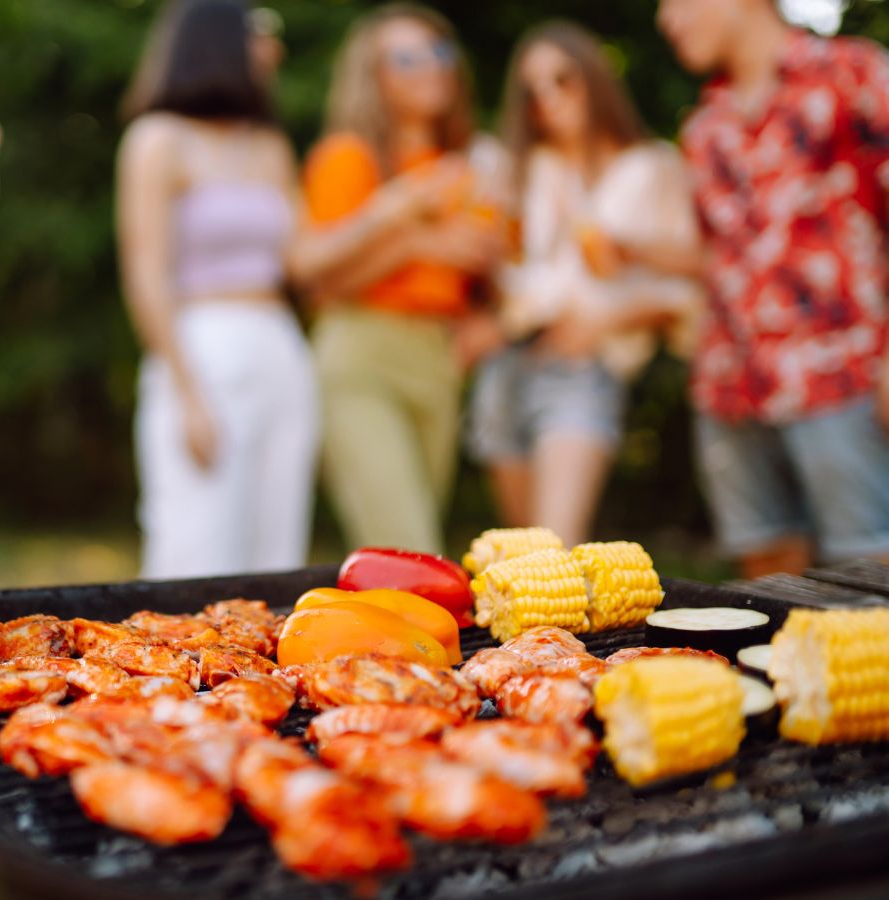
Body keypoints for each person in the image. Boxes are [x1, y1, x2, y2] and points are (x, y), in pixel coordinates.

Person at [657, 0, 889, 576]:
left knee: (868, 569)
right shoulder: (705, 125)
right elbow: (728, 258)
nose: (667, 20)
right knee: (766, 579)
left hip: (842, 376)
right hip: (730, 387)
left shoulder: (852, 73)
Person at [470, 22, 703, 547]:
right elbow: (509, 281)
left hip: (582, 369)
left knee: (555, 547)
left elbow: (689, 290)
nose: (547, 99)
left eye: (562, 79)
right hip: (509, 366)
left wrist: (608, 315)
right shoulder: (526, 170)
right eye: (532, 90)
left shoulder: (650, 168)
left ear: (593, 78)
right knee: (516, 561)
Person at [292, 3, 506, 555]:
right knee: (406, 544)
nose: (429, 66)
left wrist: (490, 322)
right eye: (405, 57)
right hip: (363, 350)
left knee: (408, 554)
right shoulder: (350, 157)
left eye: (439, 51)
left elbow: (510, 275)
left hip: (439, 358)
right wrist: (399, 221)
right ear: (374, 76)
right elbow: (313, 270)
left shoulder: (473, 167)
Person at [119, 0, 318, 579]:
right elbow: (146, 274)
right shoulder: (158, 139)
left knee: (276, 548)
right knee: (195, 547)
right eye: (263, 32)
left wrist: (391, 214)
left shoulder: (269, 145)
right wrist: (187, 391)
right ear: (219, 40)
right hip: (200, 345)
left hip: (279, 346)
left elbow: (304, 261)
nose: (274, 48)